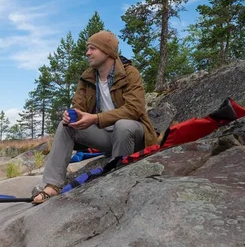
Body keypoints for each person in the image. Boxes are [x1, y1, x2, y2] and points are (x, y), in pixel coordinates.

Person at [31, 30, 158, 204]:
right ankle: (52, 185)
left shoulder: (130, 73)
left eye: (92, 48)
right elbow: (80, 107)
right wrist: (71, 115)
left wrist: (96, 118)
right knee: (66, 125)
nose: (87, 53)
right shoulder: (87, 77)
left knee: (123, 125)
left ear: (107, 51)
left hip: (132, 135)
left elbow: (134, 110)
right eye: (87, 49)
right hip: (106, 138)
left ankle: (118, 181)